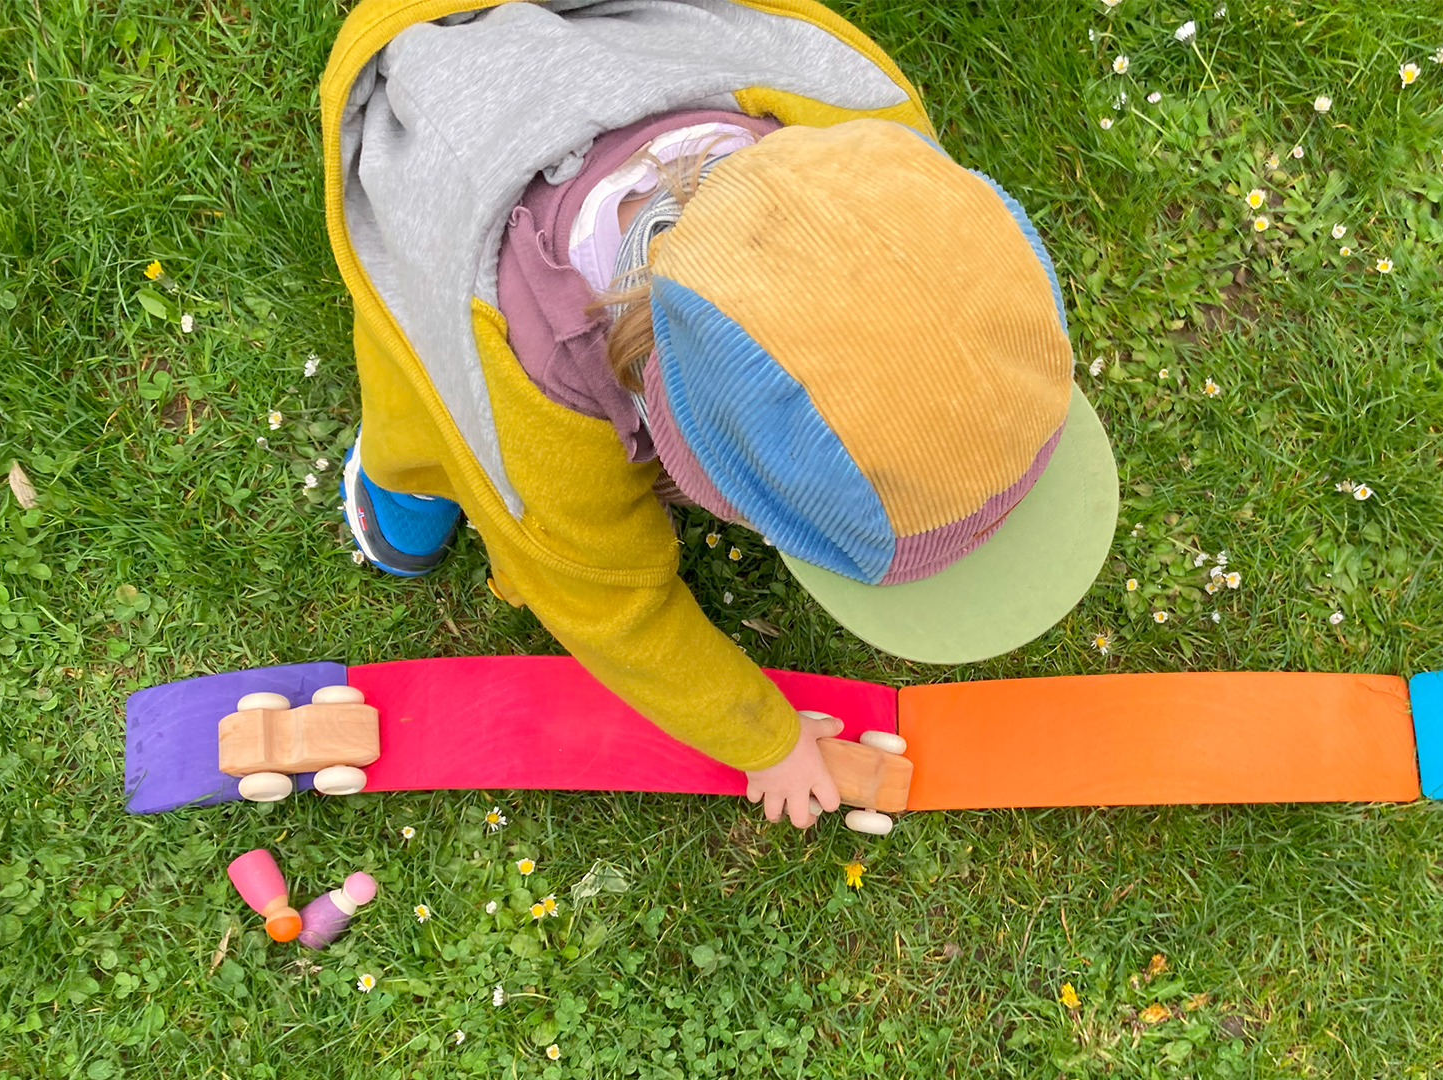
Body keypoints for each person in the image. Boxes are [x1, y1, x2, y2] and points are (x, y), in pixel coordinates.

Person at [322, 0, 1117, 828]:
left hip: (641, 53)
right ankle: (403, 483)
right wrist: (761, 737)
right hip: (443, 155)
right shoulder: (532, 393)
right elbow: (610, 607)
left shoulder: (884, 148)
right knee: (434, 408)